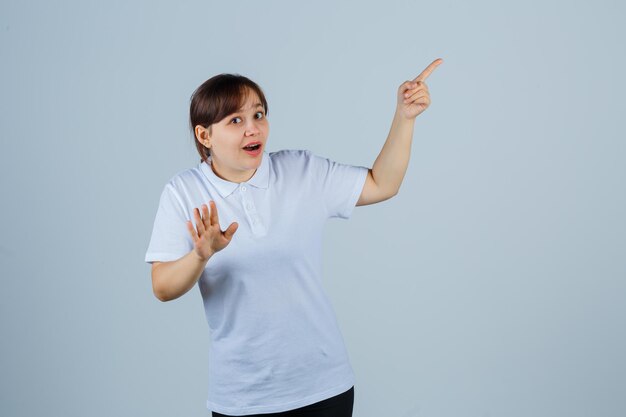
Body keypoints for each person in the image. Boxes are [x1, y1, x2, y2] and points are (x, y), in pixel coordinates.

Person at [144, 59, 442, 417]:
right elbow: (162, 286)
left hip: (325, 387)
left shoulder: (301, 171)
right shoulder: (184, 192)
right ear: (204, 135)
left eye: (258, 115)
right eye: (235, 120)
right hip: (243, 397)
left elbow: (383, 184)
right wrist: (200, 255)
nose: (252, 129)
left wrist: (404, 117)